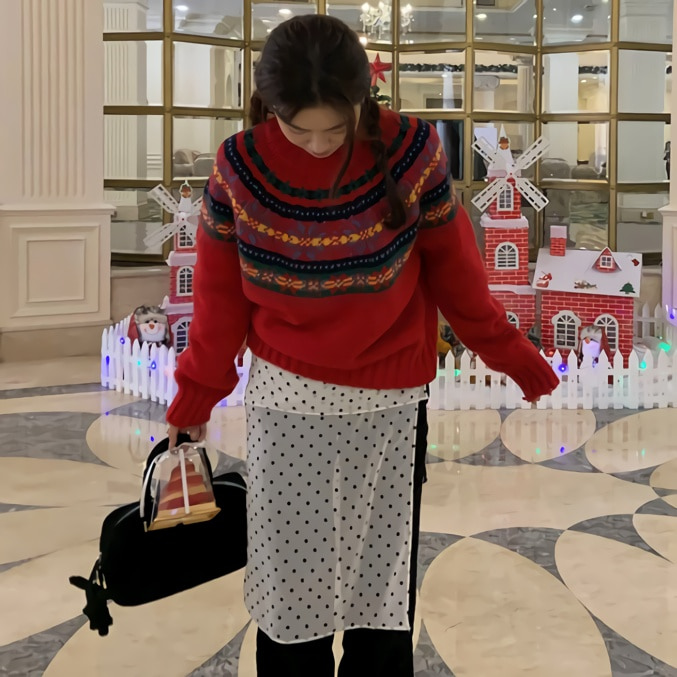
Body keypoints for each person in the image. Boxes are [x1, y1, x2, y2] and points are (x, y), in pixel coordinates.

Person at [166, 14, 558, 677]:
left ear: (362, 100)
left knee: (381, 600)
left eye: (336, 127)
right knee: (291, 597)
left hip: (391, 406)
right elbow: (219, 298)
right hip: (287, 405)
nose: (319, 145)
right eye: (299, 129)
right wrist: (194, 396)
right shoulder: (238, 166)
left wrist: (514, 356)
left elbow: (456, 273)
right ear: (269, 106)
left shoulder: (412, 152)